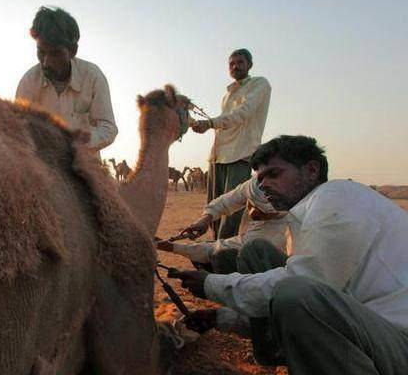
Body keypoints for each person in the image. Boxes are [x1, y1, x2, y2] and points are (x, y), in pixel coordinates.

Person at [169, 135, 408, 374]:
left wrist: (211, 284)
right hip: (370, 328)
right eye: (259, 178)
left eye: (273, 174)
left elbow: (303, 291)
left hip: (398, 341)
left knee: (294, 290)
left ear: (312, 170)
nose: (262, 185)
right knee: (257, 253)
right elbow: (321, 306)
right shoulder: (303, 217)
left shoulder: (335, 197)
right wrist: (218, 318)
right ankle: (282, 350)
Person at [191, 49, 271, 240]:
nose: (235, 66)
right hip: (218, 156)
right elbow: (225, 124)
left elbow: (243, 113)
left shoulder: (259, 84)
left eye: (240, 62)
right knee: (213, 208)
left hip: (240, 154)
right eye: (231, 64)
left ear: (249, 65)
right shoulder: (227, 94)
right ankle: (215, 249)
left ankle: (223, 256)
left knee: (232, 211)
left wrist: (209, 123)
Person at [16, 6, 117, 154]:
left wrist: (74, 144)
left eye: (55, 54)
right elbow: (18, 129)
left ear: (72, 51)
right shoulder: (28, 82)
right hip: (42, 168)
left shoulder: (92, 76)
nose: (46, 62)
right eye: (41, 52)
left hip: (85, 168)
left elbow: (108, 128)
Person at [156, 173, 288, 274]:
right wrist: (205, 219)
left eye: (263, 213)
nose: (253, 213)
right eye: (251, 205)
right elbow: (225, 202)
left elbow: (215, 249)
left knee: (221, 256)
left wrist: (172, 247)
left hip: (275, 272)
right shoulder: (254, 185)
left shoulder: (284, 229)